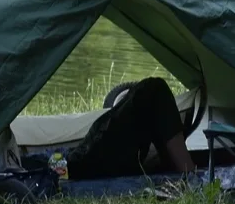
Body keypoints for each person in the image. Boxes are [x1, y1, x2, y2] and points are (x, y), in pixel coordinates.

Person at [66, 77, 196, 180]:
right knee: (154, 88)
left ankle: (183, 167)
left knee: (152, 90)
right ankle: (188, 173)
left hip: (84, 155)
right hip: (84, 161)